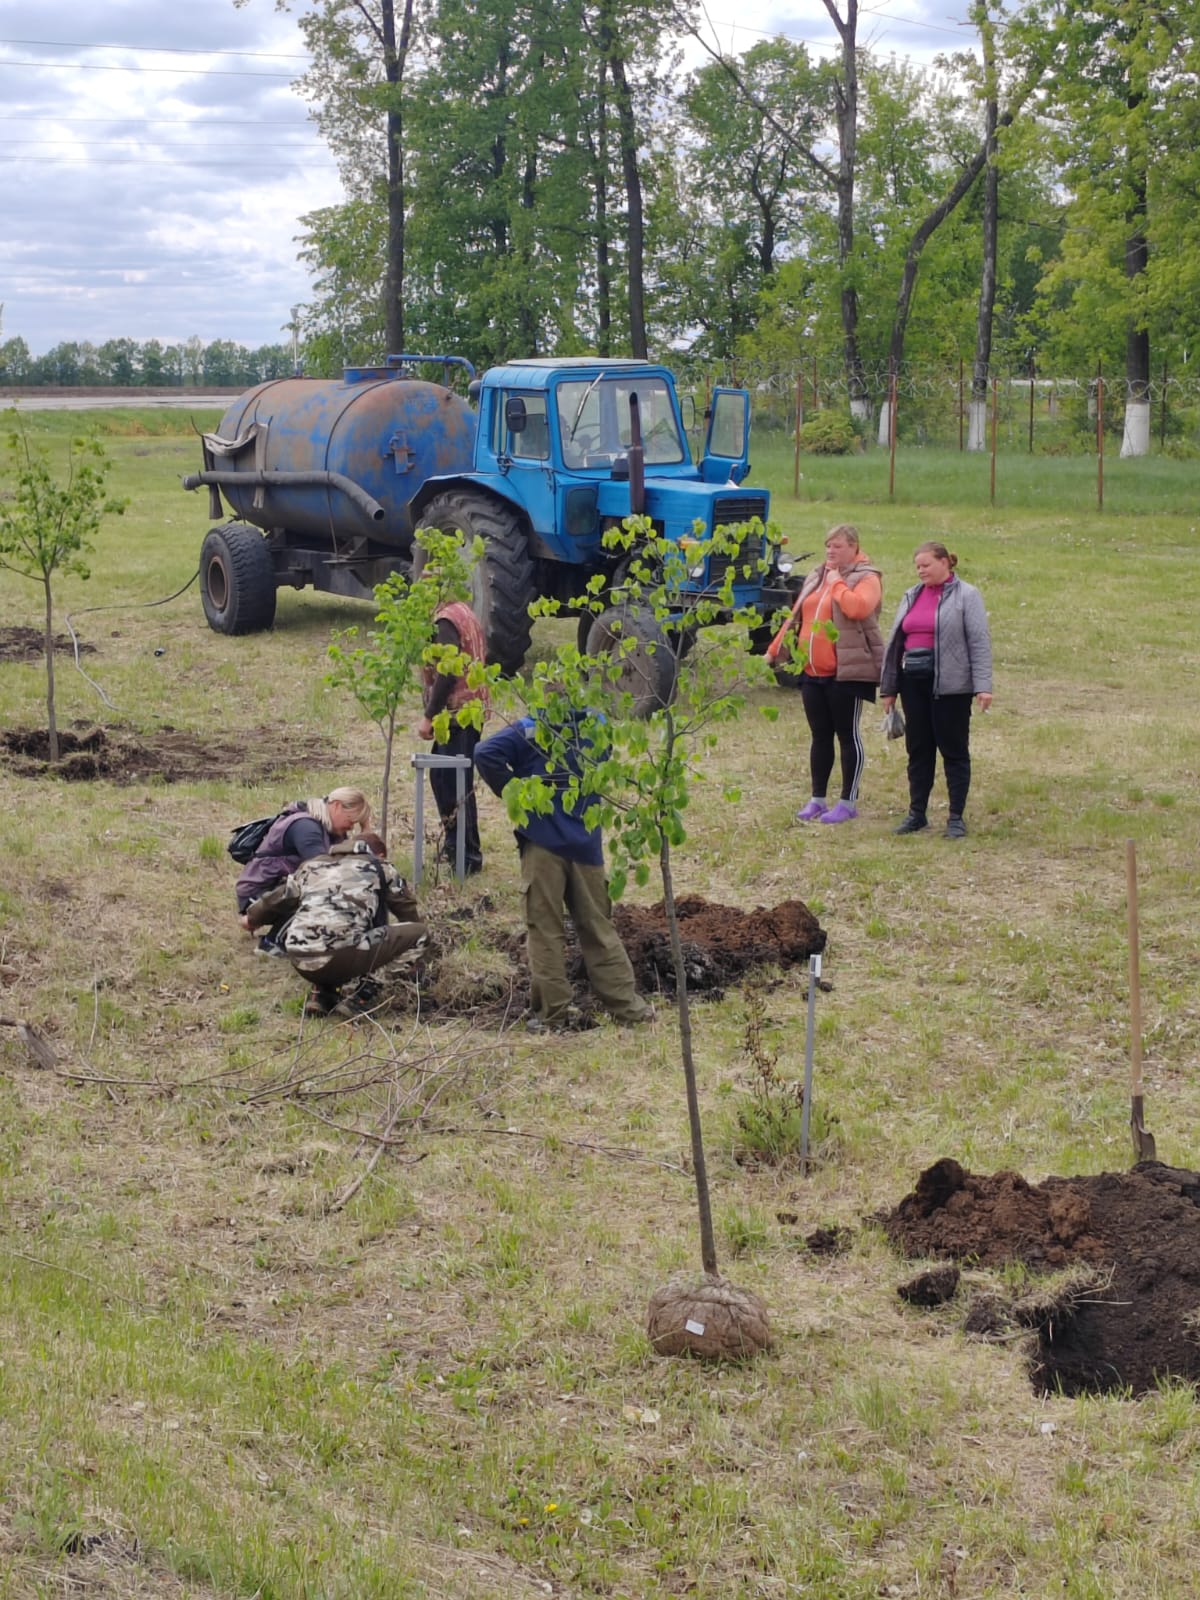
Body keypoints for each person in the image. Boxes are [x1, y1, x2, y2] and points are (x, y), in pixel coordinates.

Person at [474, 713, 653, 1032]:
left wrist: (515, 793)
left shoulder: (531, 727)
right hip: (586, 843)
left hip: (542, 844)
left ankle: (552, 1015)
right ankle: (629, 1009)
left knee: (545, 930)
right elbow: (604, 757)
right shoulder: (599, 723)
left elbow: (485, 753)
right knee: (598, 927)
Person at [240, 833, 428, 1017]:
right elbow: (407, 911)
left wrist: (252, 918)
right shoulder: (379, 867)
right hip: (343, 956)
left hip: (299, 957)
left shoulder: (311, 866)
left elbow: (275, 900)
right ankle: (363, 994)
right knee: (419, 934)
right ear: (379, 855)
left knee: (335, 933)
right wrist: (417, 954)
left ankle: (322, 994)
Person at [880, 541, 993, 839]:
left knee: (953, 750)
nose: (921, 571)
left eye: (926, 565)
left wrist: (983, 686)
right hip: (912, 683)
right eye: (917, 566)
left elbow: (979, 642)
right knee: (918, 750)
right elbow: (895, 644)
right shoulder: (911, 595)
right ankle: (917, 813)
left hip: (951, 686)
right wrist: (889, 688)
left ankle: (956, 817)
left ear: (945, 563)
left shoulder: (967, 596)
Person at [777, 524, 884, 825]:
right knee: (819, 736)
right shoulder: (816, 574)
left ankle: (848, 802)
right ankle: (817, 799)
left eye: (837, 546)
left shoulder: (867, 577)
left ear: (854, 547)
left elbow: (858, 608)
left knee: (847, 735)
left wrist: (837, 582)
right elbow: (797, 612)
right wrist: (776, 649)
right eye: (828, 546)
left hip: (846, 672)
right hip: (812, 670)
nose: (830, 551)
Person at [235, 788, 371, 951]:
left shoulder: (331, 830)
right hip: (259, 894)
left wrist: (366, 833)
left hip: (280, 889)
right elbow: (323, 872)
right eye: (352, 820)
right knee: (321, 893)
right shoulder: (306, 827)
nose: (351, 827)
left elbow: (351, 865)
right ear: (336, 806)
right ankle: (273, 943)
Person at [416, 598, 488, 875]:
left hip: (459, 714)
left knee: (455, 784)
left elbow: (448, 671)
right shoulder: (463, 612)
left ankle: (467, 856)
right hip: (466, 712)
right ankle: (455, 847)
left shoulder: (445, 621)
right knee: (442, 777)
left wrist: (429, 714)